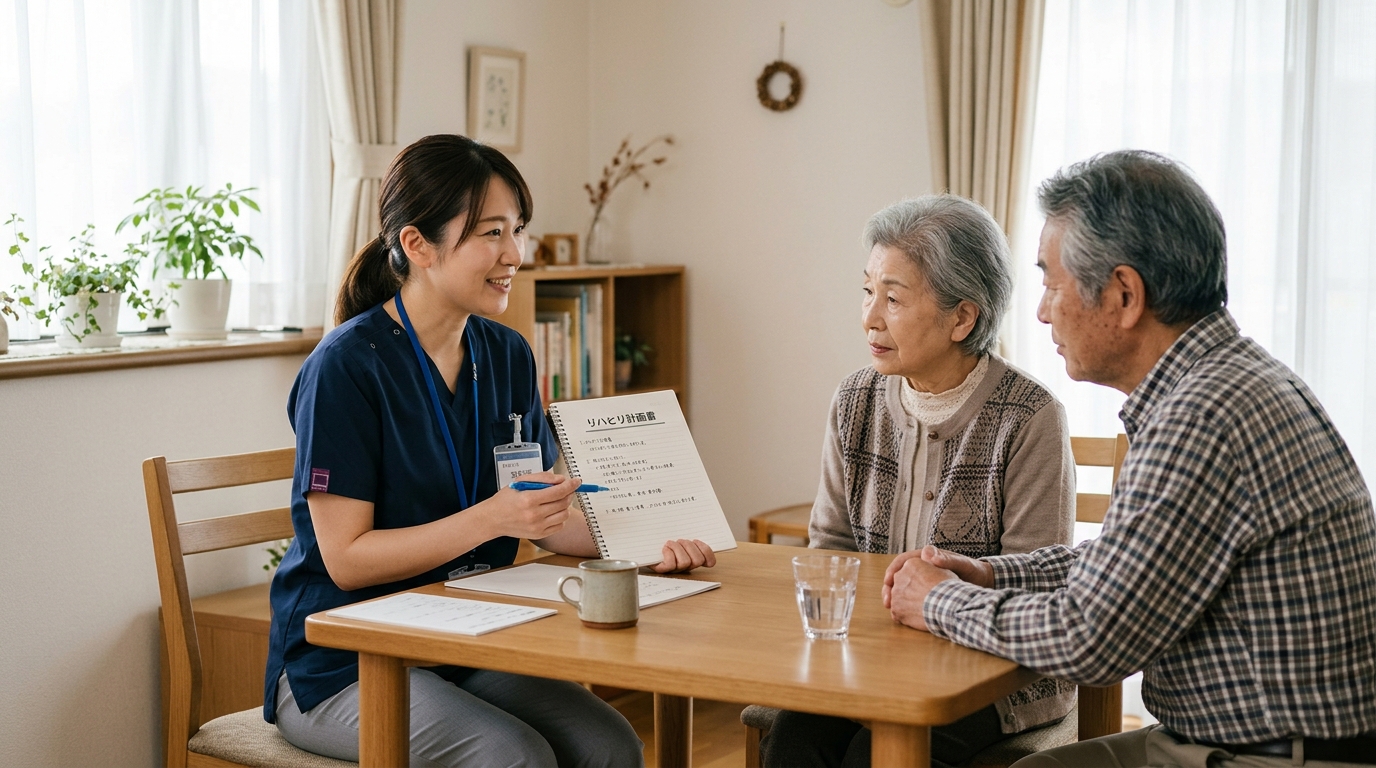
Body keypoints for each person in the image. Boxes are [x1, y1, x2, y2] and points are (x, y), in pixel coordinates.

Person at [887, 151, 1376, 767]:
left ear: (1123, 295)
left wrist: (935, 600)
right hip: (1248, 740)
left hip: (1267, 757)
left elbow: (1090, 637)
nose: (1040, 311)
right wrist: (994, 573)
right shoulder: (1224, 381)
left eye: (1051, 283)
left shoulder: (1201, 416)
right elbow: (1135, 560)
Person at [263, 134, 716, 768]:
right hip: (347, 660)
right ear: (418, 245)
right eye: (490, 233)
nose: (514, 254)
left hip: (470, 640)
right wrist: (494, 518)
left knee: (611, 747)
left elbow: (543, 514)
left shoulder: (507, 355)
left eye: (518, 230)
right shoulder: (346, 368)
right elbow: (346, 561)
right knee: (513, 758)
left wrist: (646, 543)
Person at [761, 195, 1077, 768]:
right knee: (791, 744)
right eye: (867, 291)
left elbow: (1036, 581)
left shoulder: (1029, 416)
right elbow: (830, 547)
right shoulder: (855, 400)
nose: (870, 317)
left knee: (870, 758)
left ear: (963, 318)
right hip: (867, 659)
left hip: (994, 677)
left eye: (894, 298)